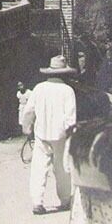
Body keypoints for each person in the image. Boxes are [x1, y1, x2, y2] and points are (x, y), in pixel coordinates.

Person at [21, 55, 78, 215]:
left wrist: (27, 128)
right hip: (61, 136)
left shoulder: (39, 88)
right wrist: (70, 135)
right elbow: (70, 117)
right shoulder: (68, 91)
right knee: (62, 168)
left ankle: (37, 202)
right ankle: (65, 200)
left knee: (39, 167)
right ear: (65, 74)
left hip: (41, 134)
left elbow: (29, 111)